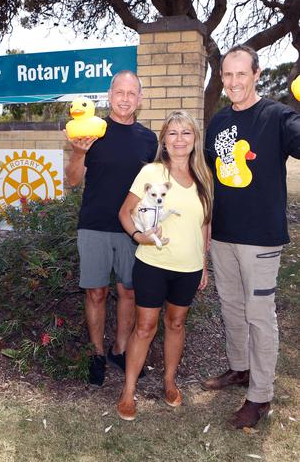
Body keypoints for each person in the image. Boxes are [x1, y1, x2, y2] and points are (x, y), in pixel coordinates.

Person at [202, 45, 300, 428]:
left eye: (241, 74)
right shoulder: (219, 121)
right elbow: (210, 175)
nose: (234, 82)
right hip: (224, 233)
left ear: (257, 74)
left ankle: (260, 396)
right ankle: (240, 369)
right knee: (231, 306)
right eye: (228, 75)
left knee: (260, 315)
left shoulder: (277, 116)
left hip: (260, 237)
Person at [115, 110, 213, 421]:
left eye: (186, 133)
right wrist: (138, 236)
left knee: (176, 324)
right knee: (144, 327)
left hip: (188, 267)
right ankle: (128, 391)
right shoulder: (151, 173)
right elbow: (125, 212)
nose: (180, 139)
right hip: (153, 263)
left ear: (195, 139)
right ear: (164, 141)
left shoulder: (204, 177)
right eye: (173, 133)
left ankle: (169, 382)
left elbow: (204, 225)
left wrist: (203, 265)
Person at [64, 70, 157, 385]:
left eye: (132, 93)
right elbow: (73, 180)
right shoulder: (93, 132)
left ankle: (119, 349)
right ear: (110, 95)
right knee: (96, 292)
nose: (126, 99)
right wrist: (79, 153)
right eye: (120, 92)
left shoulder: (148, 138)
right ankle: (96, 353)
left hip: (132, 226)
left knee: (129, 291)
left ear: (140, 99)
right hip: (94, 224)